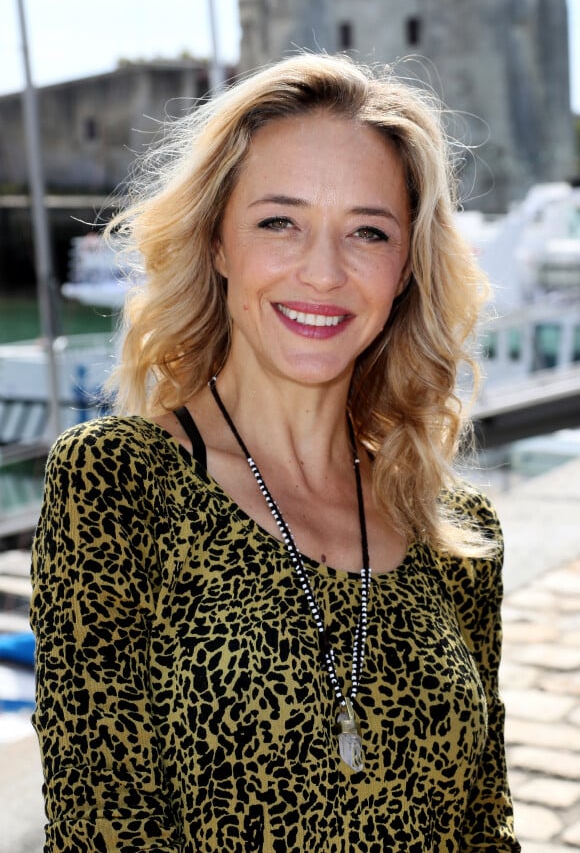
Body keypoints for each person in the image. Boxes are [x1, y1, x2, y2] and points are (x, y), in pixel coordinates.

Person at [31, 53, 520, 852]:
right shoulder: (119, 483)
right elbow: (101, 829)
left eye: (368, 232)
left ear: (404, 270)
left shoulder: (456, 531)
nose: (323, 272)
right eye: (279, 222)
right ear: (218, 242)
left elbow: (484, 825)